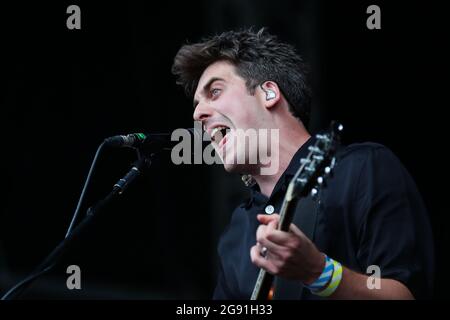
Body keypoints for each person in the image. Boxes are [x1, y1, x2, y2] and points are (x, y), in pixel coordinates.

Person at [171, 28, 434, 299]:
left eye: (214, 91)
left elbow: (406, 294)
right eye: (196, 104)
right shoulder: (236, 234)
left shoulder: (363, 170)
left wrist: (320, 273)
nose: (197, 114)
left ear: (269, 93)